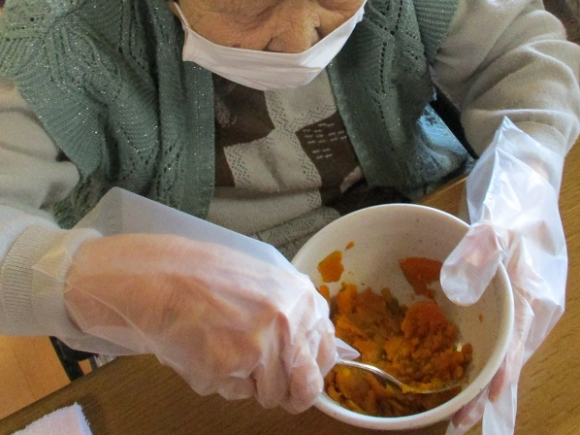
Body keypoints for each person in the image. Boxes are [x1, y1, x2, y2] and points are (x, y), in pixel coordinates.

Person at [0, 0, 579, 433]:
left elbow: (520, 53)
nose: (302, 38)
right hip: (193, 348)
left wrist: (526, 173)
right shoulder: (54, 40)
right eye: (250, 6)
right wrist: (124, 287)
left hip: (424, 216)